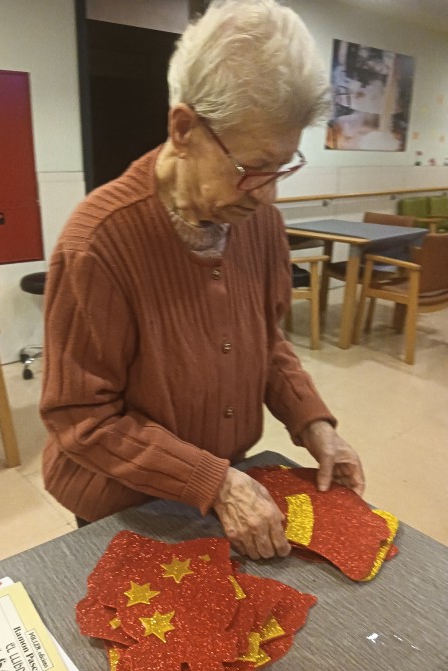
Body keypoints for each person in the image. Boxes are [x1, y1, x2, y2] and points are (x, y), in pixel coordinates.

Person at [40, 0, 365, 560]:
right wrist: (213, 482)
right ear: (184, 128)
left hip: (224, 484)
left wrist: (315, 425)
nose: (268, 193)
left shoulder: (260, 221)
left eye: (283, 166)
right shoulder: (98, 243)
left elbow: (267, 343)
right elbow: (81, 419)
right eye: (252, 168)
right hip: (122, 503)